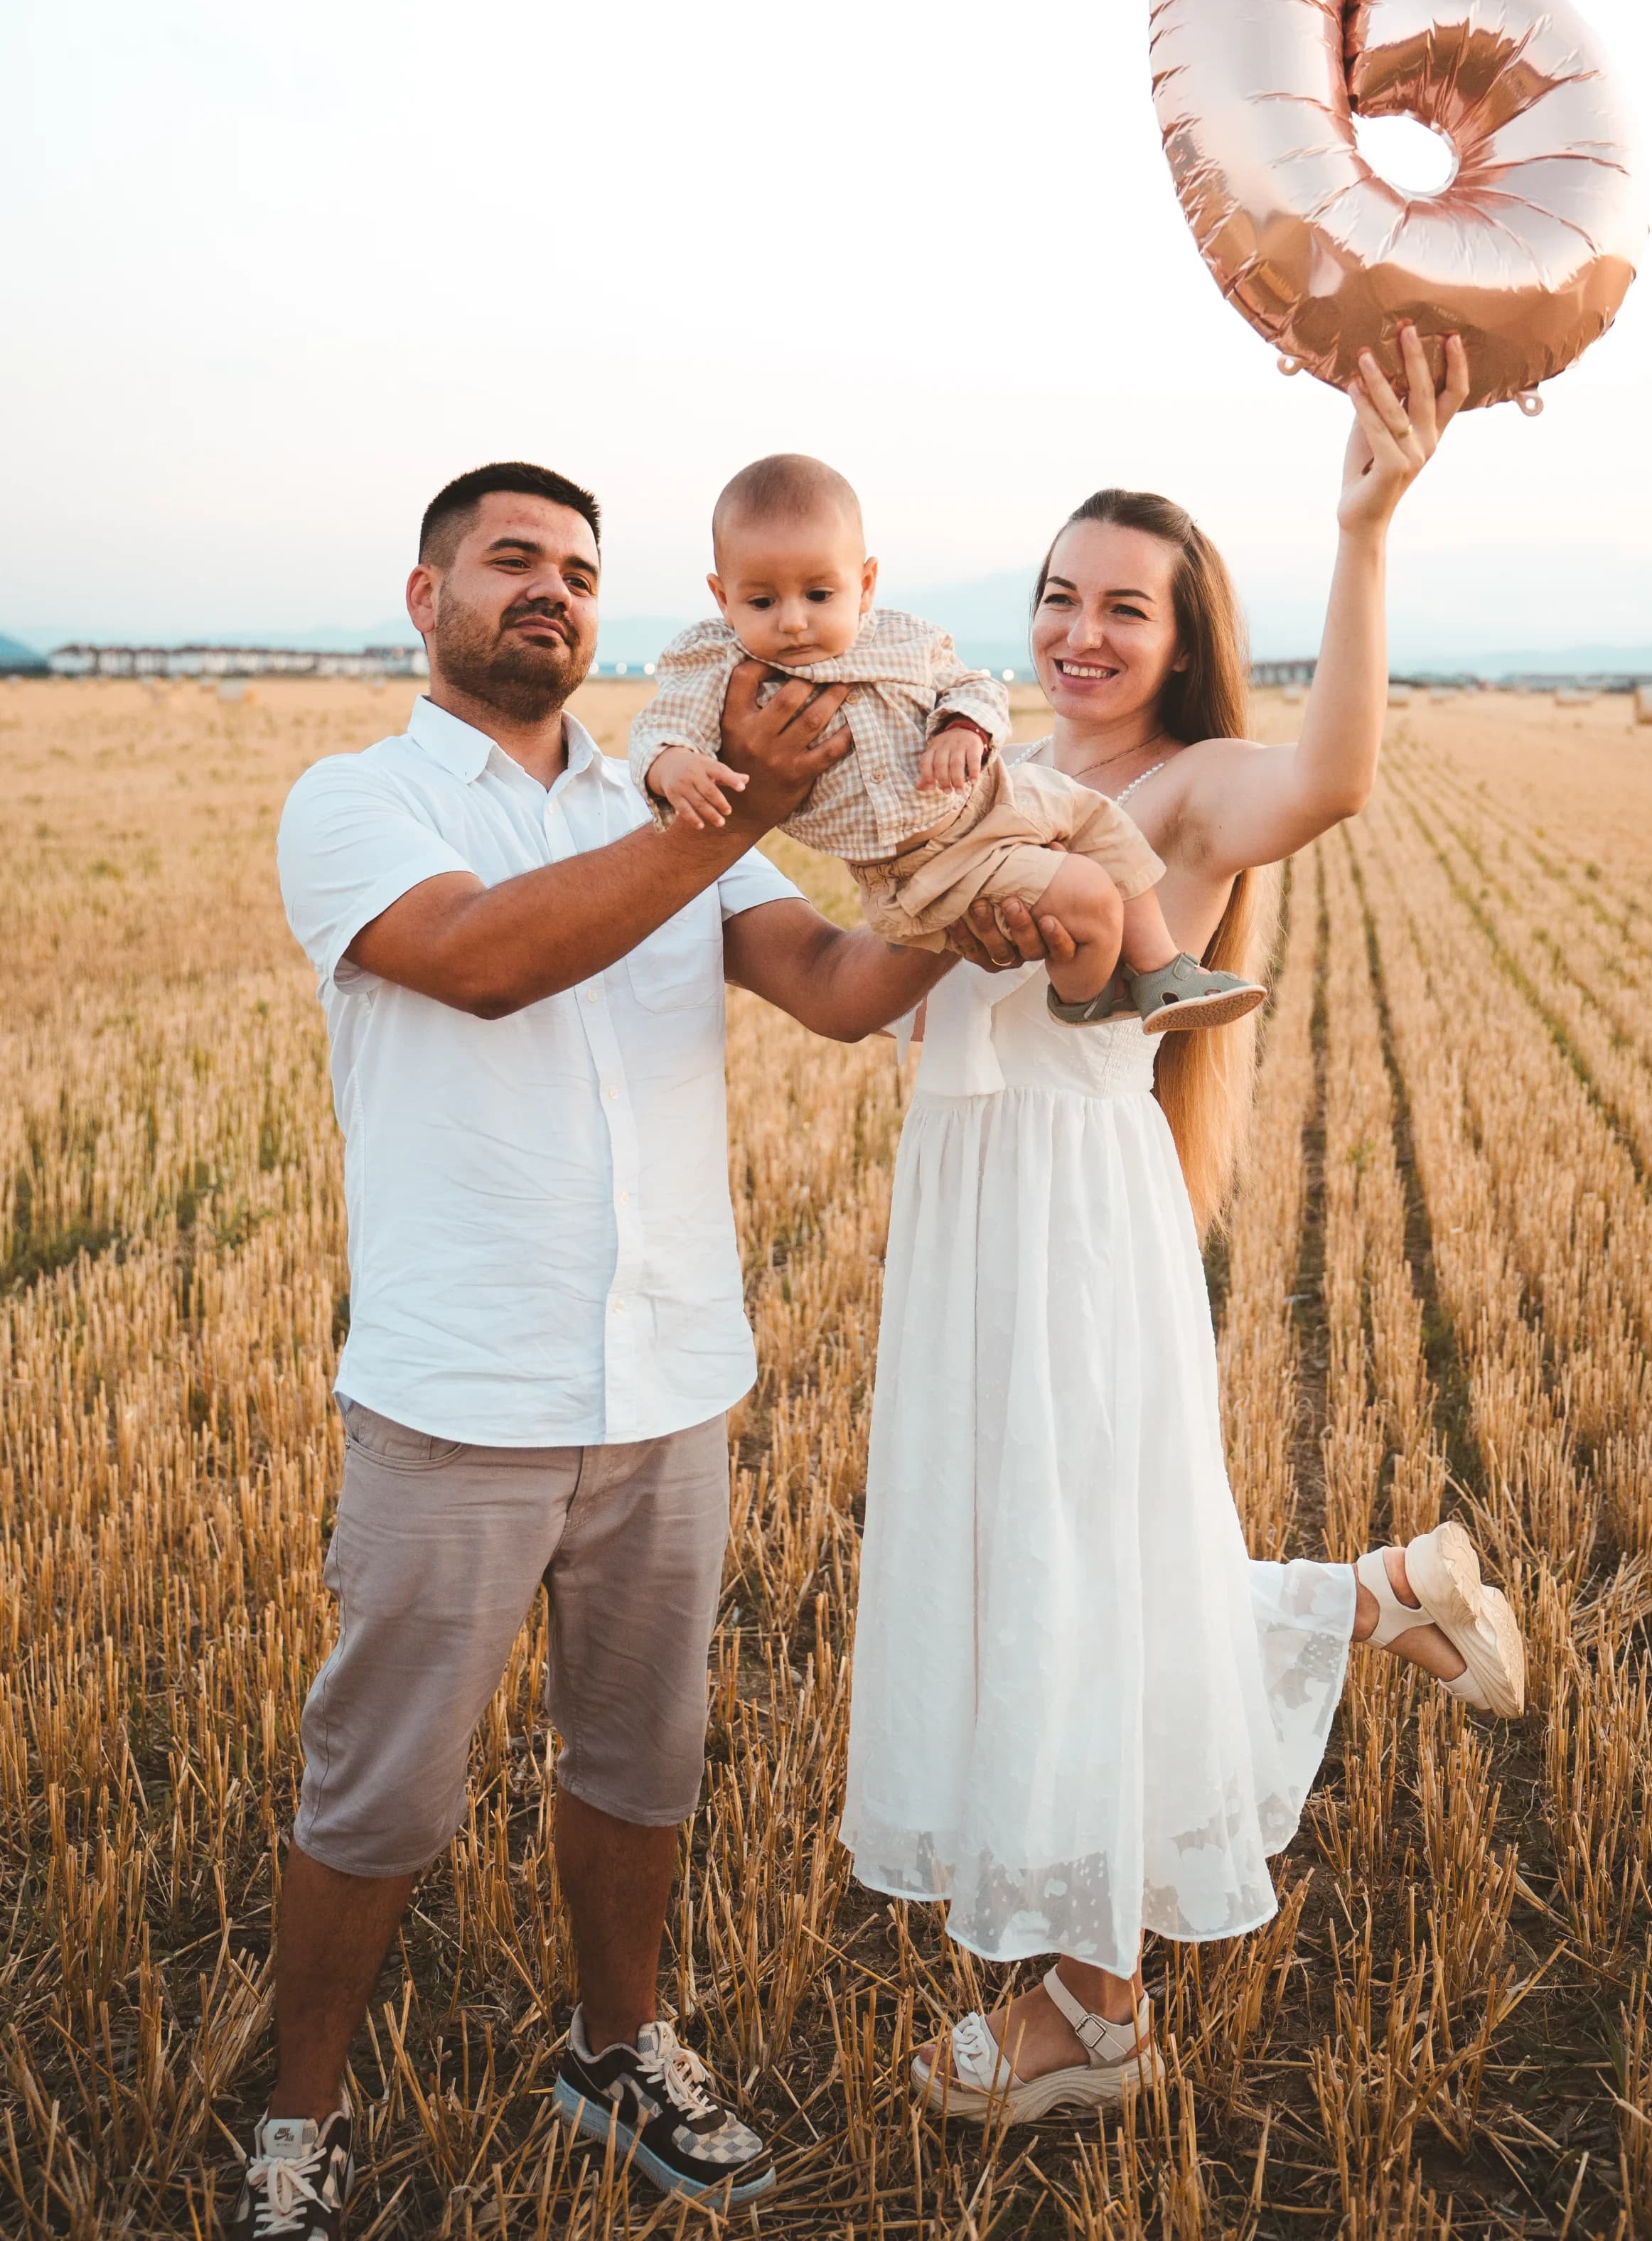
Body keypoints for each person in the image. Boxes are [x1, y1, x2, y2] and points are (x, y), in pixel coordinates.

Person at [240, 461, 935, 2236]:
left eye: (577, 570)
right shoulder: (362, 798)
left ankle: (618, 2044)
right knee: (377, 1780)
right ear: (426, 596)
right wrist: (719, 822)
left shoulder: (663, 797)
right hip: (460, 1395)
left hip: (669, 1383)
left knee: (642, 1759)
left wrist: (971, 881)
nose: (549, 591)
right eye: (510, 563)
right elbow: (478, 959)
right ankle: (296, 2121)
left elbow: (839, 990)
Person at [841, 329, 1529, 2122]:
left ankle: (1095, 2006)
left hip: (1075, 1213)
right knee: (1035, 1557)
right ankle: (1379, 1596)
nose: (1080, 631)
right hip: (970, 1207)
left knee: (1081, 1576)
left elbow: (1340, 778)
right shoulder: (980, 771)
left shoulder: (1190, 784)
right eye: (1061, 595)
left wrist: (1366, 533)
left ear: (1180, 633)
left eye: (1124, 608)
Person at [628, 451, 1265, 1031]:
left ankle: (1160, 971)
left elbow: (973, 685)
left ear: (866, 583)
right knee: (1087, 894)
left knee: (1102, 820)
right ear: (721, 596)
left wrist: (963, 726)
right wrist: (673, 764)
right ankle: (1087, 1002)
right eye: (762, 600)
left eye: (820, 594)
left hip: (996, 795)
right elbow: (661, 727)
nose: (794, 620)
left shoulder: (901, 638)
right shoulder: (714, 664)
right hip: (926, 863)